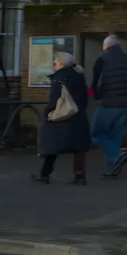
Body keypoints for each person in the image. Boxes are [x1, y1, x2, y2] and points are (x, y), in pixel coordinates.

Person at [34, 51, 92, 185]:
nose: (54, 66)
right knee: (78, 148)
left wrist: (47, 113)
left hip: (61, 116)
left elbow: (54, 99)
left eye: (55, 63)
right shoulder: (79, 76)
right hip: (77, 116)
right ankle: (80, 176)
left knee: (51, 143)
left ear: (61, 64)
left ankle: (44, 174)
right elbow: (84, 98)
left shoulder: (59, 78)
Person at [89, 35, 127, 178]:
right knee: (115, 138)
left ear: (106, 46)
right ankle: (111, 170)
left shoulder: (102, 59)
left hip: (109, 104)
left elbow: (96, 81)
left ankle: (118, 155)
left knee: (97, 134)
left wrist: (96, 95)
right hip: (126, 104)